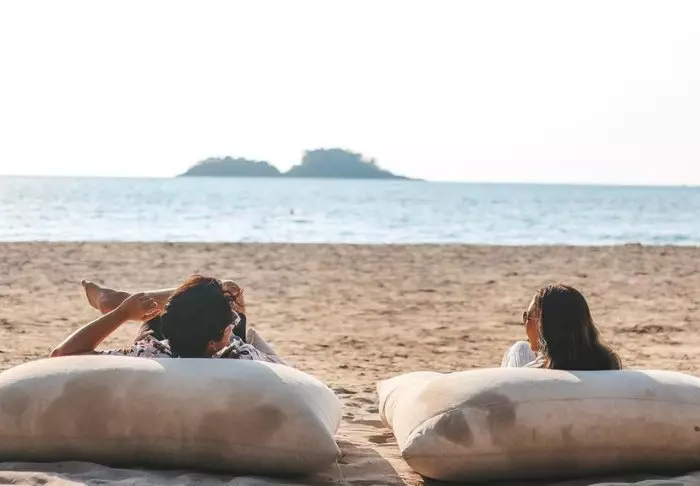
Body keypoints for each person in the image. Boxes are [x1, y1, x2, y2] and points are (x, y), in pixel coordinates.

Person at [50, 275, 284, 363]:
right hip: (203, 343)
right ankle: (119, 299)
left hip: (173, 345)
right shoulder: (241, 356)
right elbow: (286, 374)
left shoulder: (149, 351)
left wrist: (122, 313)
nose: (234, 322)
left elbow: (62, 355)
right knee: (229, 288)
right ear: (218, 339)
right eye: (231, 322)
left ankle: (120, 301)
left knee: (224, 290)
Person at [501, 284, 621, 370]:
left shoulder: (533, 374)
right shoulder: (609, 364)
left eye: (527, 317)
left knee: (520, 348)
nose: (525, 324)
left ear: (541, 324)